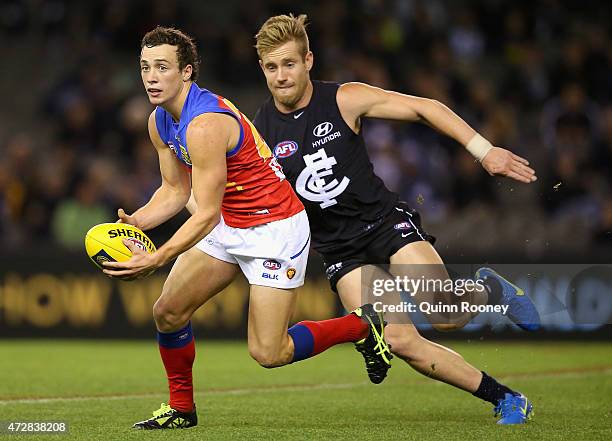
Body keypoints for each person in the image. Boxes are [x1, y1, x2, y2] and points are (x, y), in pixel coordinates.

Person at [252, 14, 539, 424]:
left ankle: (489, 288)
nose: (281, 75)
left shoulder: (343, 98)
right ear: (262, 68)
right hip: (340, 249)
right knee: (401, 339)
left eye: (289, 64)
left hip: (386, 226)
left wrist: (483, 150)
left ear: (309, 60)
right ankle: (506, 398)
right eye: (271, 67)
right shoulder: (258, 131)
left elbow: (425, 107)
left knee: (446, 315)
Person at [102, 26, 392, 430]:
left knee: (270, 352)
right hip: (229, 221)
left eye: (162, 67)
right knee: (168, 312)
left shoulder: (204, 124)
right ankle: (181, 409)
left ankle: (362, 325)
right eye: (145, 67)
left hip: (275, 229)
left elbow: (202, 215)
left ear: (186, 73)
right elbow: (173, 191)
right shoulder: (160, 122)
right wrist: (137, 221)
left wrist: (158, 256)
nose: (151, 77)